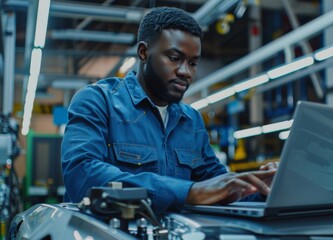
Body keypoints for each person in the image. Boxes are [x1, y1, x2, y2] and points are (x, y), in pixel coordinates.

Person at [61, 6, 277, 214]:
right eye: (174, 58)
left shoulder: (191, 121)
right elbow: (82, 175)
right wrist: (187, 192)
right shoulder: (97, 101)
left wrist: (262, 187)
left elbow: (221, 188)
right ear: (144, 52)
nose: (186, 72)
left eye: (193, 63)